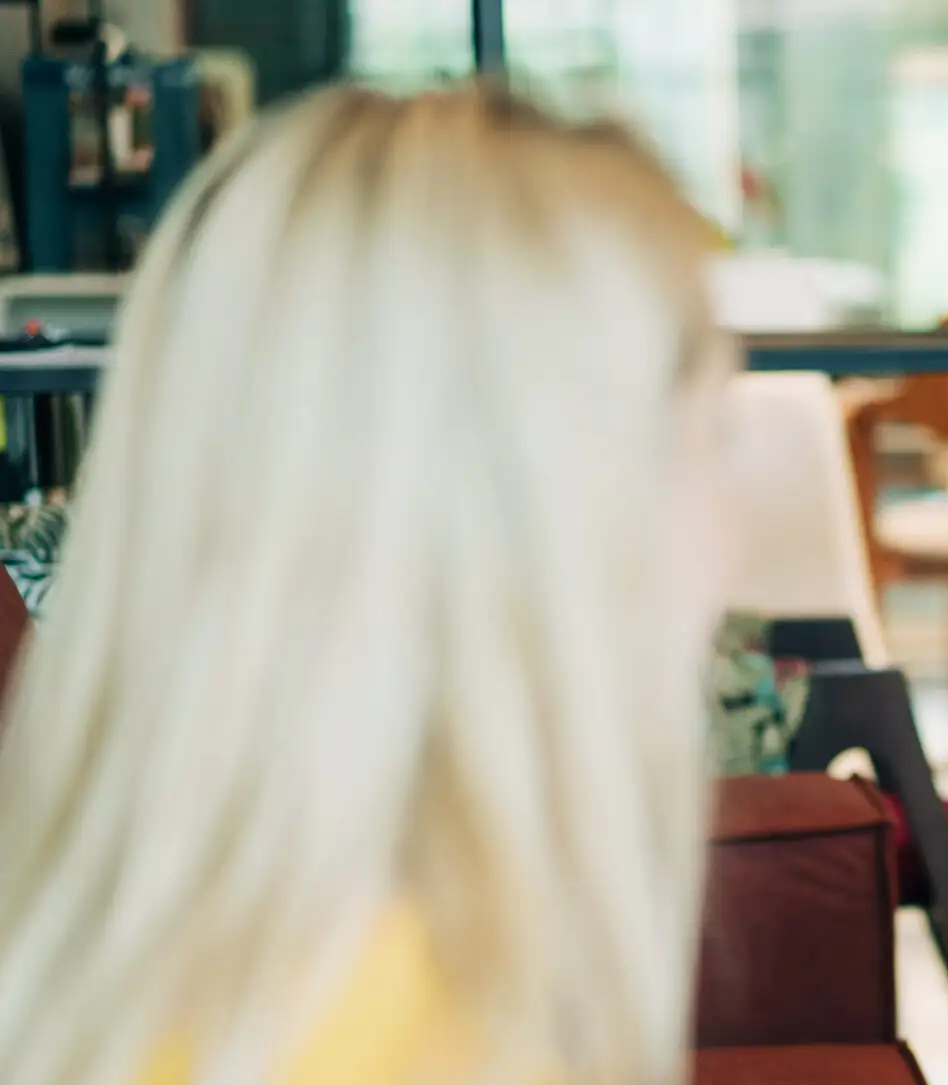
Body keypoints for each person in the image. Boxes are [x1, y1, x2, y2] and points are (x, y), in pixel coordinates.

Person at [0, 83, 734, 1084]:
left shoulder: (156, 982)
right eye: (706, 443)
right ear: (529, 520)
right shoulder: (431, 1042)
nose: (729, 543)